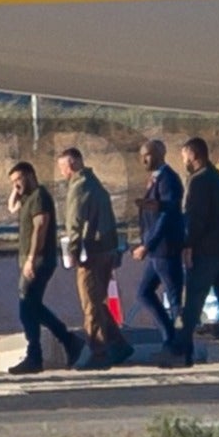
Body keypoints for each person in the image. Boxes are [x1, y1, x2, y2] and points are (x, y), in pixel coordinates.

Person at [155, 137, 219, 368]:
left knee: (192, 300)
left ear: (193, 155)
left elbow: (195, 217)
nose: (183, 161)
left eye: (184, 156)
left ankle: (179, 351)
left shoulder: (199, 180)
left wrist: (188, 245)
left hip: (207, 249)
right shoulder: (216, 178)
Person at [57, 147, 133, 370]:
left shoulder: (79, 187)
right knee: (98, 302)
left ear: (70, 165)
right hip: (106, 250)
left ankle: (98, 352)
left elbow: (75, 222)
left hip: (91, 252)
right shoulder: (95, 183)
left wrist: (72, 250)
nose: (61, 173)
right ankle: (118, 344)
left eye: (62, 167)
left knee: (90, 304)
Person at [6, 161, 84, 374]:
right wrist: (16, 189)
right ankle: (69, 341)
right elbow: (11, 207)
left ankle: (36, 355)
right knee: (32, 306)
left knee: (26, 307)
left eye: (18, 179)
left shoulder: (39, 196)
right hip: (31, 260)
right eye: (13, 182)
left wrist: (31, 259)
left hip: (39, 259)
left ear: (30, 175)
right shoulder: (26, 198)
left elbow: (40, 229)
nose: (16, 185)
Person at [131, 139, 185, 348]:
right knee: (144, 293)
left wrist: (148, 245)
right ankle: (169, 338)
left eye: (148, 154)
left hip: (165, 249)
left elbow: (166, 215)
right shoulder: (155, 179)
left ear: (160, 154)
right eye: (142, 155)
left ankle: (179, 344)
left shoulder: (168, 179)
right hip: (156, 252)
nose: (144, 159)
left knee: (174, 299)